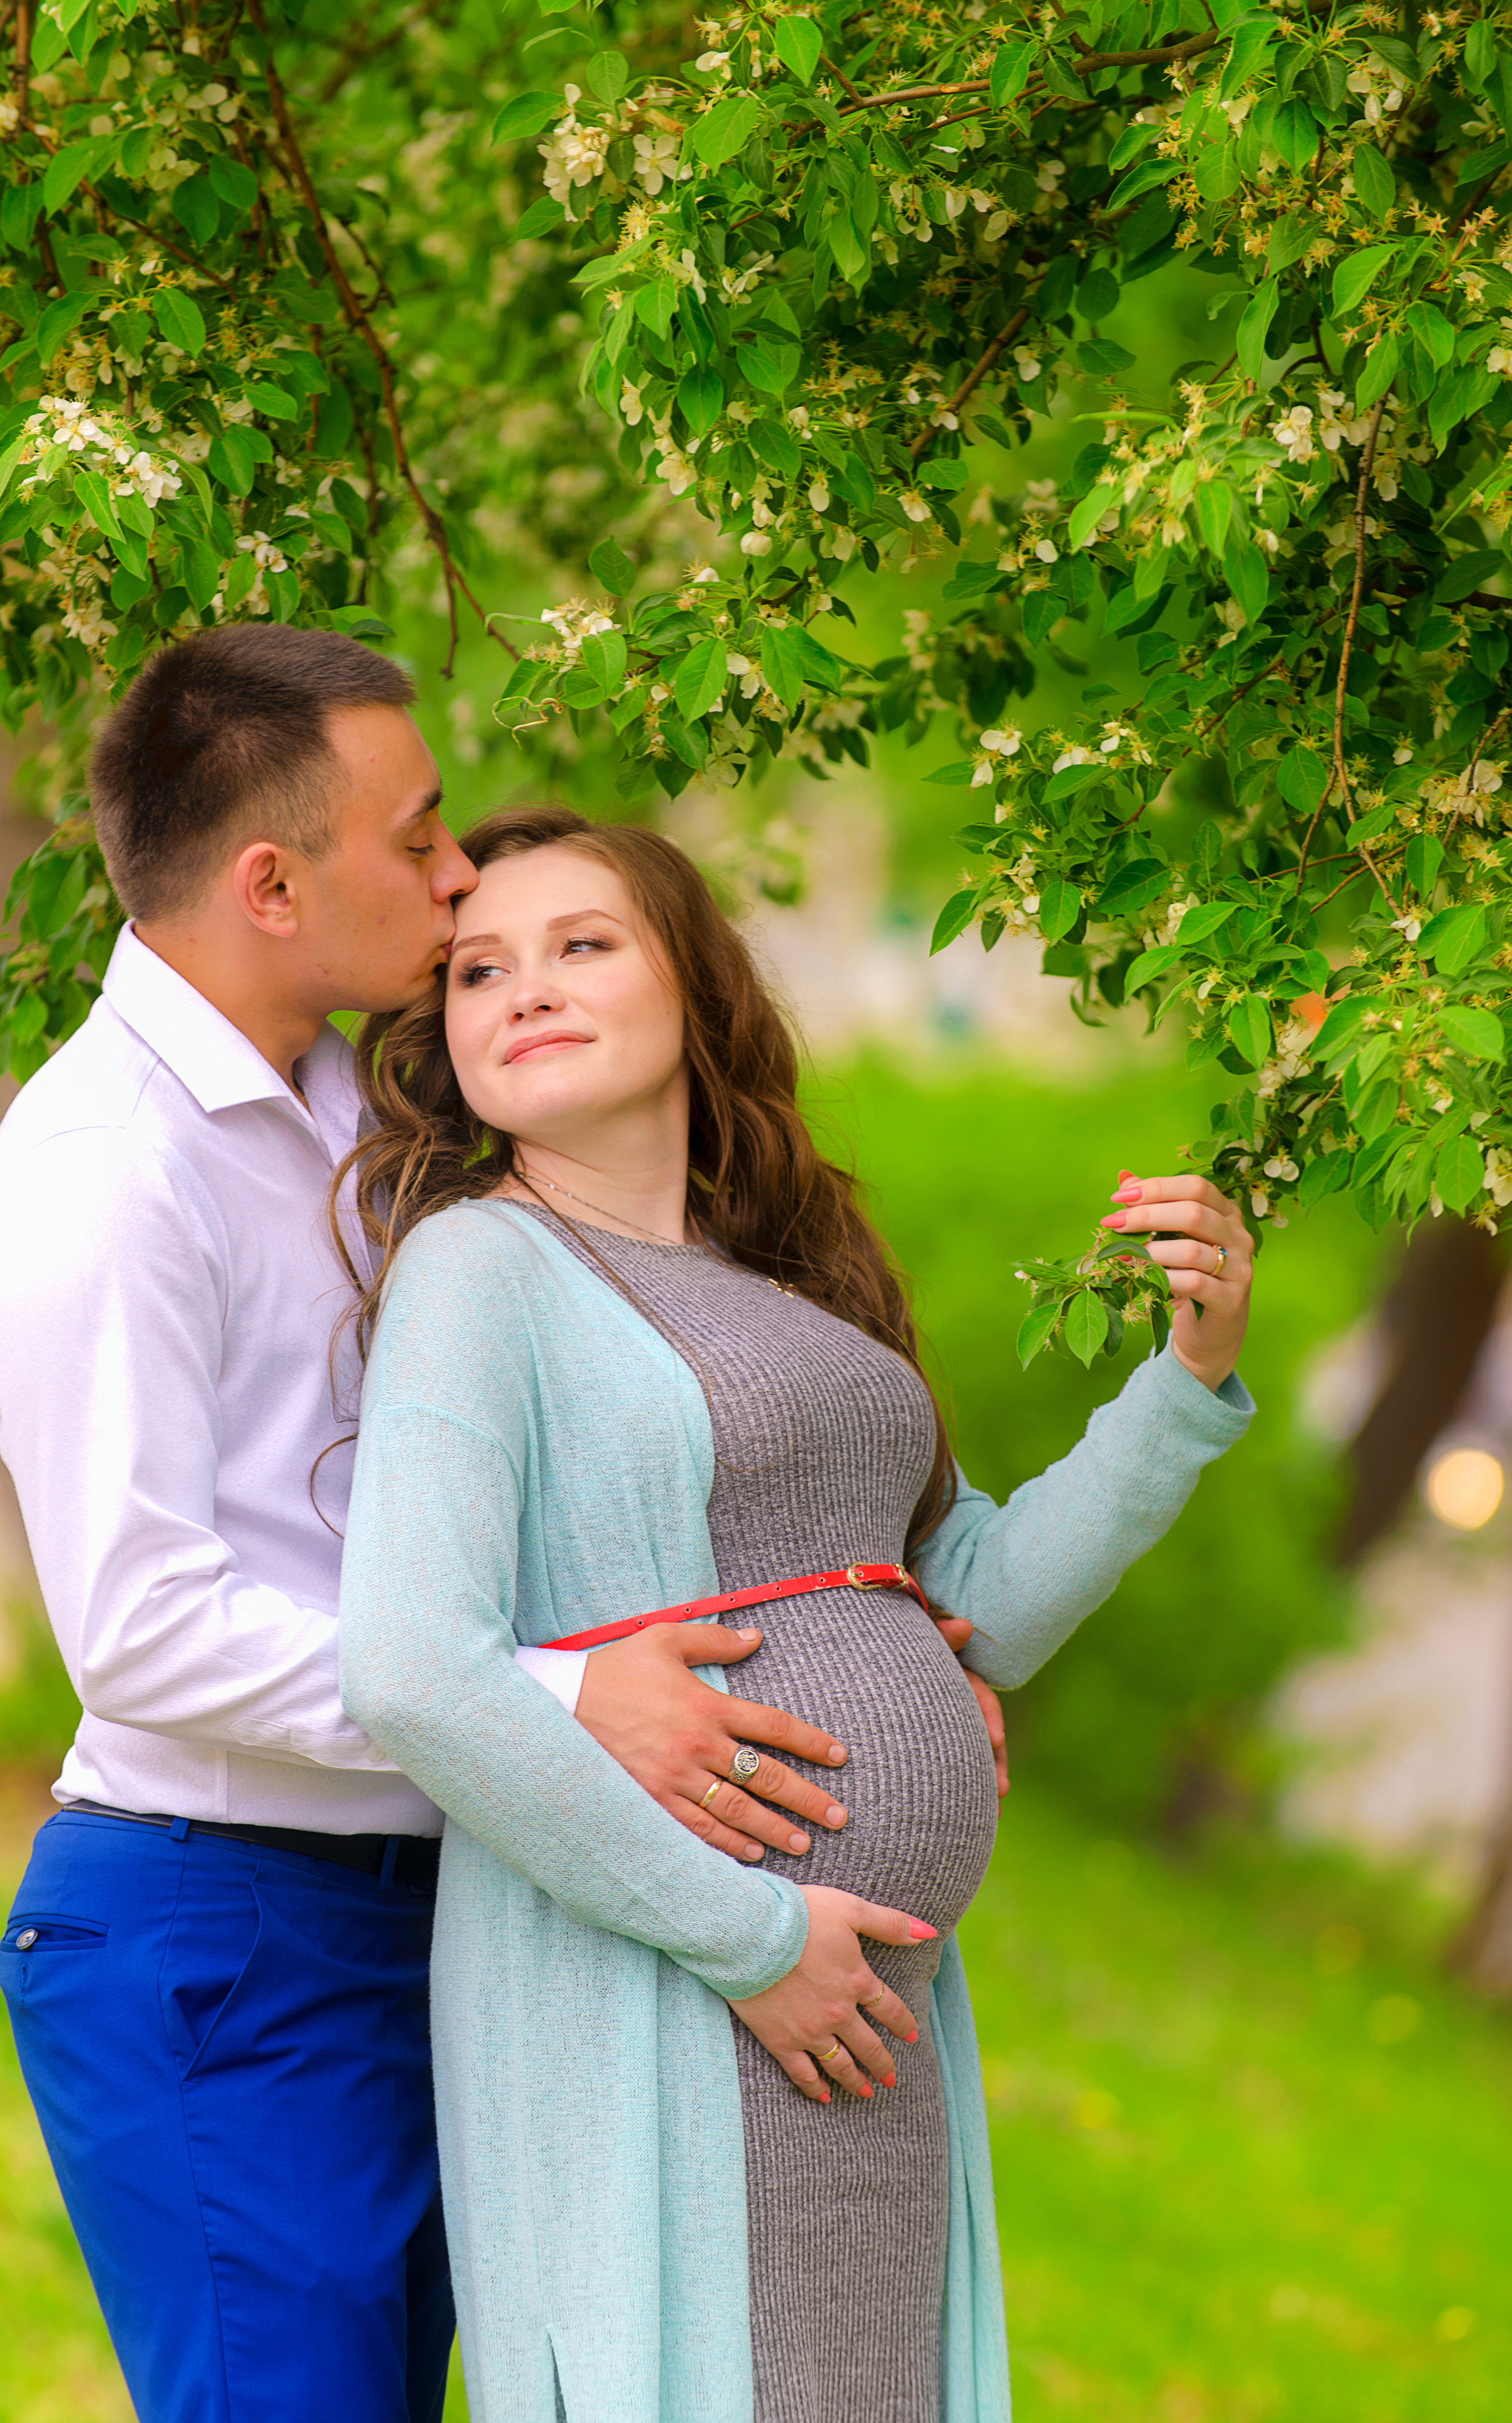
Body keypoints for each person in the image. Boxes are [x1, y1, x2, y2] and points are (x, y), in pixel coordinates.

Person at [0, 627, 971, 2423]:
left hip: (455, 1901)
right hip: (228, 1928)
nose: (455, 874)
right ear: (274, 881)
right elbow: (139, 1629)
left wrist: (887, 1640)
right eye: (420, 837)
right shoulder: (99, 1175)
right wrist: (561, 1699)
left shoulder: (374, 1102)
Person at [337, 806, 1257, 2423]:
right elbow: (415, 1670)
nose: (523, 991)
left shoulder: (802, 1280)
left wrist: (1180, 1381)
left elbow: (966, 1604)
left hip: (863, 2008)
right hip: (670, 1986)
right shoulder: (482, 1270)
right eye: (478, 968)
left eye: (582, 945)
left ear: (693, 982)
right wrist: (751, 1939)